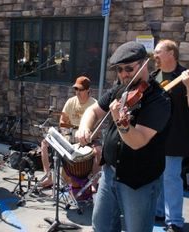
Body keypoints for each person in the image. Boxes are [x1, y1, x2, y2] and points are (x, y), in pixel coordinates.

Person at [76, 41, 172, 232]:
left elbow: (138, 141)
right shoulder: (120, 89)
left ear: (144, 64)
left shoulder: (159, 100)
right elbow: (93, 111)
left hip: (138, 181)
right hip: (110, 173)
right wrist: (84, 127)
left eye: (129, 68)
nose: (123, 74)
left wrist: (121, 123)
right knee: (101, 226)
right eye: (119, 70)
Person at [153, 39, 189, 232]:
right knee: (157, 176)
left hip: (175, 136)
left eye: (158, 52)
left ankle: (174, 221)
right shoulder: (153, 77)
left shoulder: (187, 77)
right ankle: (159, 211)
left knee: (171, 177)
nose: (154, 56)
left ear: (171, 54)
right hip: (153, 136)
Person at [40, 76, 101, 191]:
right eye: (76, 89)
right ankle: (48, 176)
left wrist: (86, 135)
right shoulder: (70, 102)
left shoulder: (94, 104)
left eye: (80, 90)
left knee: (98, 151)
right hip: (71, 134)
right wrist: (67, 134)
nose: (77, 92)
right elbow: (62, 122)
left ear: (88, 90)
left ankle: (94, 182)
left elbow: (97, 128)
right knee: (44, 143)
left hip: (87, 137)